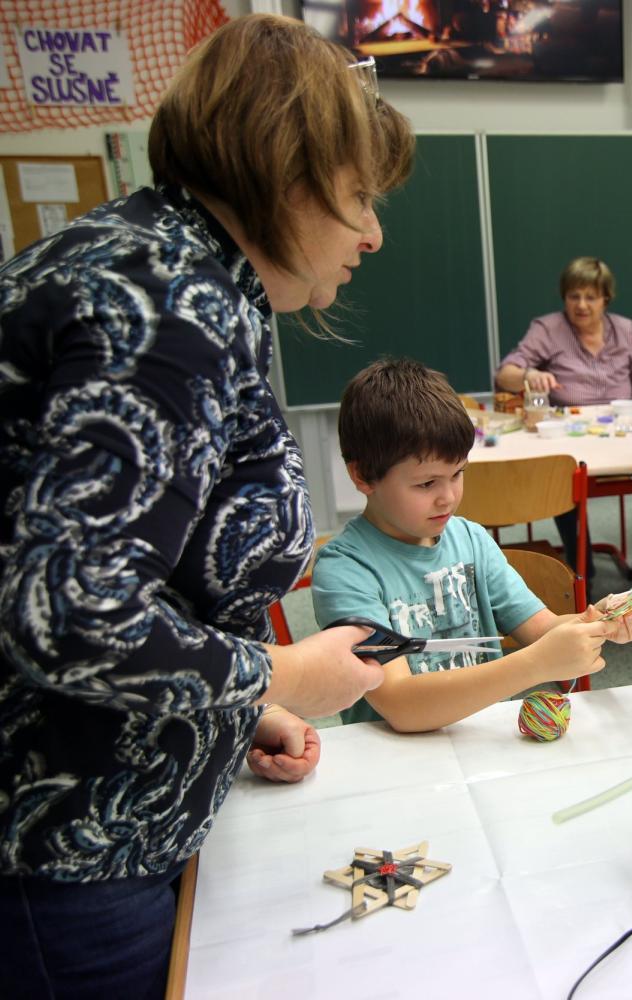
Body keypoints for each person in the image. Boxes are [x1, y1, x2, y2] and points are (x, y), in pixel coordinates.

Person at [0, 15, 414, 998]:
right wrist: (283, 673)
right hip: (70, 846)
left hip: (112, 808)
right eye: (359, 195)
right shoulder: (167, 301)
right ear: (286, 176)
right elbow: (70, 612)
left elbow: (149, 564)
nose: (372, 233)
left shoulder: (174, 267)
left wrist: (237, 709)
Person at [312, 358, 632, 731]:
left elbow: (541, 629)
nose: (448, 497)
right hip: (395, 755)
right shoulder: (346, 571)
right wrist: (535, 664)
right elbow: (400, 703)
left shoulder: (471, 540)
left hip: (478, 739)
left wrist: (599, 620)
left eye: (457, 473)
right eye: (426, 484)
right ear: (363, 476)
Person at [495, 256, 632, 581]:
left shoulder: (625, 329)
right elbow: (504, 374)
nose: (581, 305)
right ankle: (582, 569)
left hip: (623, 433)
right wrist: (529, 375)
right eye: (573, 296)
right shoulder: (548, 328)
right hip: (571, 436)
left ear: (606, 298)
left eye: (590, 297)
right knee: (563, 476)